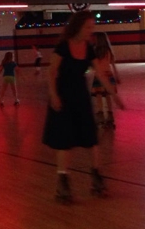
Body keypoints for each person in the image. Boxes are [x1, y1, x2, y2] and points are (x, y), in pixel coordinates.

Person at [42, 11, 124, 204]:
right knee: (64, 141)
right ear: (78, 26)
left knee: (91, 139)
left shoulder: (88, 48)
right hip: (63, 98)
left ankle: (96, 178)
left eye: (92, 27)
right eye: (88, 27)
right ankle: (63, 182)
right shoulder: (63, 46)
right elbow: (51, 72)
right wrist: (53, 95)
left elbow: (101, 74)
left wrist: (114, 95)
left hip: (80, 97)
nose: (91, 30)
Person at [91, 32, 120, 128]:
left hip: (99, 76)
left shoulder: (96, 51)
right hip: (109, 75)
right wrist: (116, 76)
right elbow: (113, 65)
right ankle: (110, 117)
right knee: (108, 96)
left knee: (99, 96)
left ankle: (100, 116)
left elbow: (94, 66)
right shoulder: (109, 51)